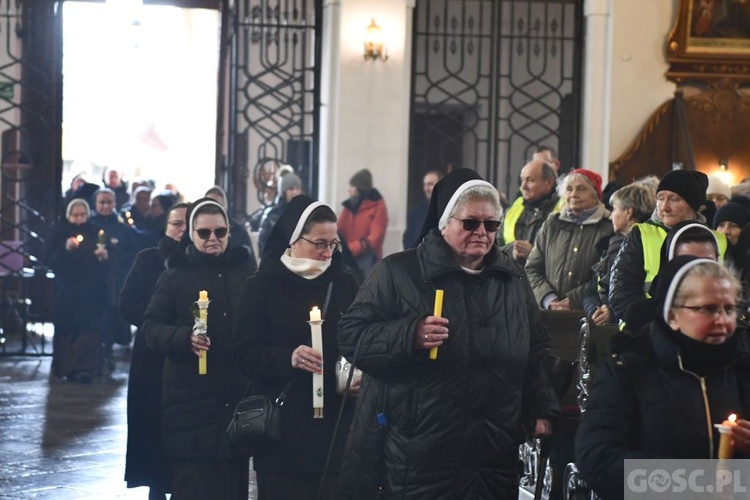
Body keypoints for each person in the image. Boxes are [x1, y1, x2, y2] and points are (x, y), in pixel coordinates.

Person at [337, 168, 559, 499]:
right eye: (470, 223)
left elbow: (536, 347)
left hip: (493, 454)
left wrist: (540, 406)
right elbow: (352, 336)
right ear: (444, 223)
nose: (482, 232)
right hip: (422, 453)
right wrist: (408, 335)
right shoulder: (397, 273)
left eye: (491, 225)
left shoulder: (512, 278)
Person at [576, 256, 750, 500]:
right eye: (708, 309)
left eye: (729, 309)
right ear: (673, 316)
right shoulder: (629, 370)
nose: (722, 320)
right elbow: (597, 458)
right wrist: (695, 484)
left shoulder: (741, 368)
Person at [232, 196, 360, 499]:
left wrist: (349, 373)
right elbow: (243, 352)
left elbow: (356, 343)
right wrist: (287, 357)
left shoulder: (345, 285)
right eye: (319, 243)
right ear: (293, 239)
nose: (327, 253)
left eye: (333, 244)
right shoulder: (260, 286)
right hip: (284, 430)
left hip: (335, 428)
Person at [142, 198, 255, 499]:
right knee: (195, 485)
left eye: (220, 232)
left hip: (234, 394)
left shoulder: (245, 274)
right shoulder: (174, 276)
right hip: (189, 399)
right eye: (204, 233)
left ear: (230, 232)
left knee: (233, 485)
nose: (213, 239)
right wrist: (183, 338)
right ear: (191, 234)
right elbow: (151, 329)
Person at [120, 202, 188, 499]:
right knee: (152, 425)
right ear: (166, 228)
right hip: (151, 356)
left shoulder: (201, 265)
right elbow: (127, 303)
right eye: (176, 224)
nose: (182, 231)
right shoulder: (148, 259)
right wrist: (156, 322)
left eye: (188, 224)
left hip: (187, 356)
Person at [609, 170, 728, 331]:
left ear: (693, 205)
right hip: (645, 331)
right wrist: (661, 324)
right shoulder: (641, 234)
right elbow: (621, 291)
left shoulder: (718, 240)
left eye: (674, 199)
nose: (664, 207)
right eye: (660, 198)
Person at [525, 168, 613, 310]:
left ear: (595, 195)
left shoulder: (609, 227)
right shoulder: (552, 223)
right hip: (548, 315)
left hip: (589, 314)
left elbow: (607, 276)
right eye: (569, 189)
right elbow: (532, 268)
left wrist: (572, 300)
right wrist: (549, 300)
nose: (573, 195)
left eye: (581, 189)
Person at [48, 199, 108, 383]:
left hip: (91, 291)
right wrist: (65, 250)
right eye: (75, 215)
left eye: (82, 215)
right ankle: (66, 367)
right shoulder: (59, 231)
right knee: (68, 328)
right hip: (68, 290)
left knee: (89, 329)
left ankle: (87, 368)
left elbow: (108, 261)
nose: (79, 219)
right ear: (69, 215)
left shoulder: (94, 231)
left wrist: (104, 257)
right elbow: (50, 260)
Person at [583, 181, 656, 325]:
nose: (610, 216)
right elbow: (590, 292)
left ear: (628, 212)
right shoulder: (609, 246)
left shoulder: (646, 245)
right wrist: (596, 309)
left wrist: (612, 313)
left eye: (615, 209)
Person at [89, 188, 136, 370]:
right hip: (93, 280)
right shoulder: (89, 224)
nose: (106, 206)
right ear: (96, 204)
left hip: (114, 280)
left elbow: (130, 254)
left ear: (114, 203)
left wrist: (112, 256)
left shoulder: (122, 228)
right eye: (102, 202)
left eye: (109, 202)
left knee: (110, 316)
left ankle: (108, 351)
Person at [498, 159, 559, 264]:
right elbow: (494, 248)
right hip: (511, 276)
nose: (523, 187)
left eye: (530, 180)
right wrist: (512, 251)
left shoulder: (563, 210)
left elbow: (567, 258)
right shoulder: (513, 209)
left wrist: (534, 254)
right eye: (522, 180)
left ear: (549, 182)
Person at [338, 168, 388, 276]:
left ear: (359, 188)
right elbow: (339, 228)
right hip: (348, 257)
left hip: (368, 258)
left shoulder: (378, 206)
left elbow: (377, 235)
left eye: (352, 186)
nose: (349, 190)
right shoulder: (349, 206)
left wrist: (356, 247)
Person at [205, 185, 259, 268]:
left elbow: (251, 266)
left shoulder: (239, 231)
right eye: (208, 206)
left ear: (225, 208)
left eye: (217, 206)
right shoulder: (198, 231)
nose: (212, 210)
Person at [257, 172, 303, 256]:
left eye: (297, 189)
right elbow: (263, 243)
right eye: (291, 189)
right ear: (284, 192)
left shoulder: (304, 212)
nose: (295, 192)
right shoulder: (272, 215)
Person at [402, 170, 442, 249]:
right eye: (424, 185)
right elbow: (409, 238)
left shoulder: (449, 209)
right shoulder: (416, 212)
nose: (426, 188)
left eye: (430, 184)